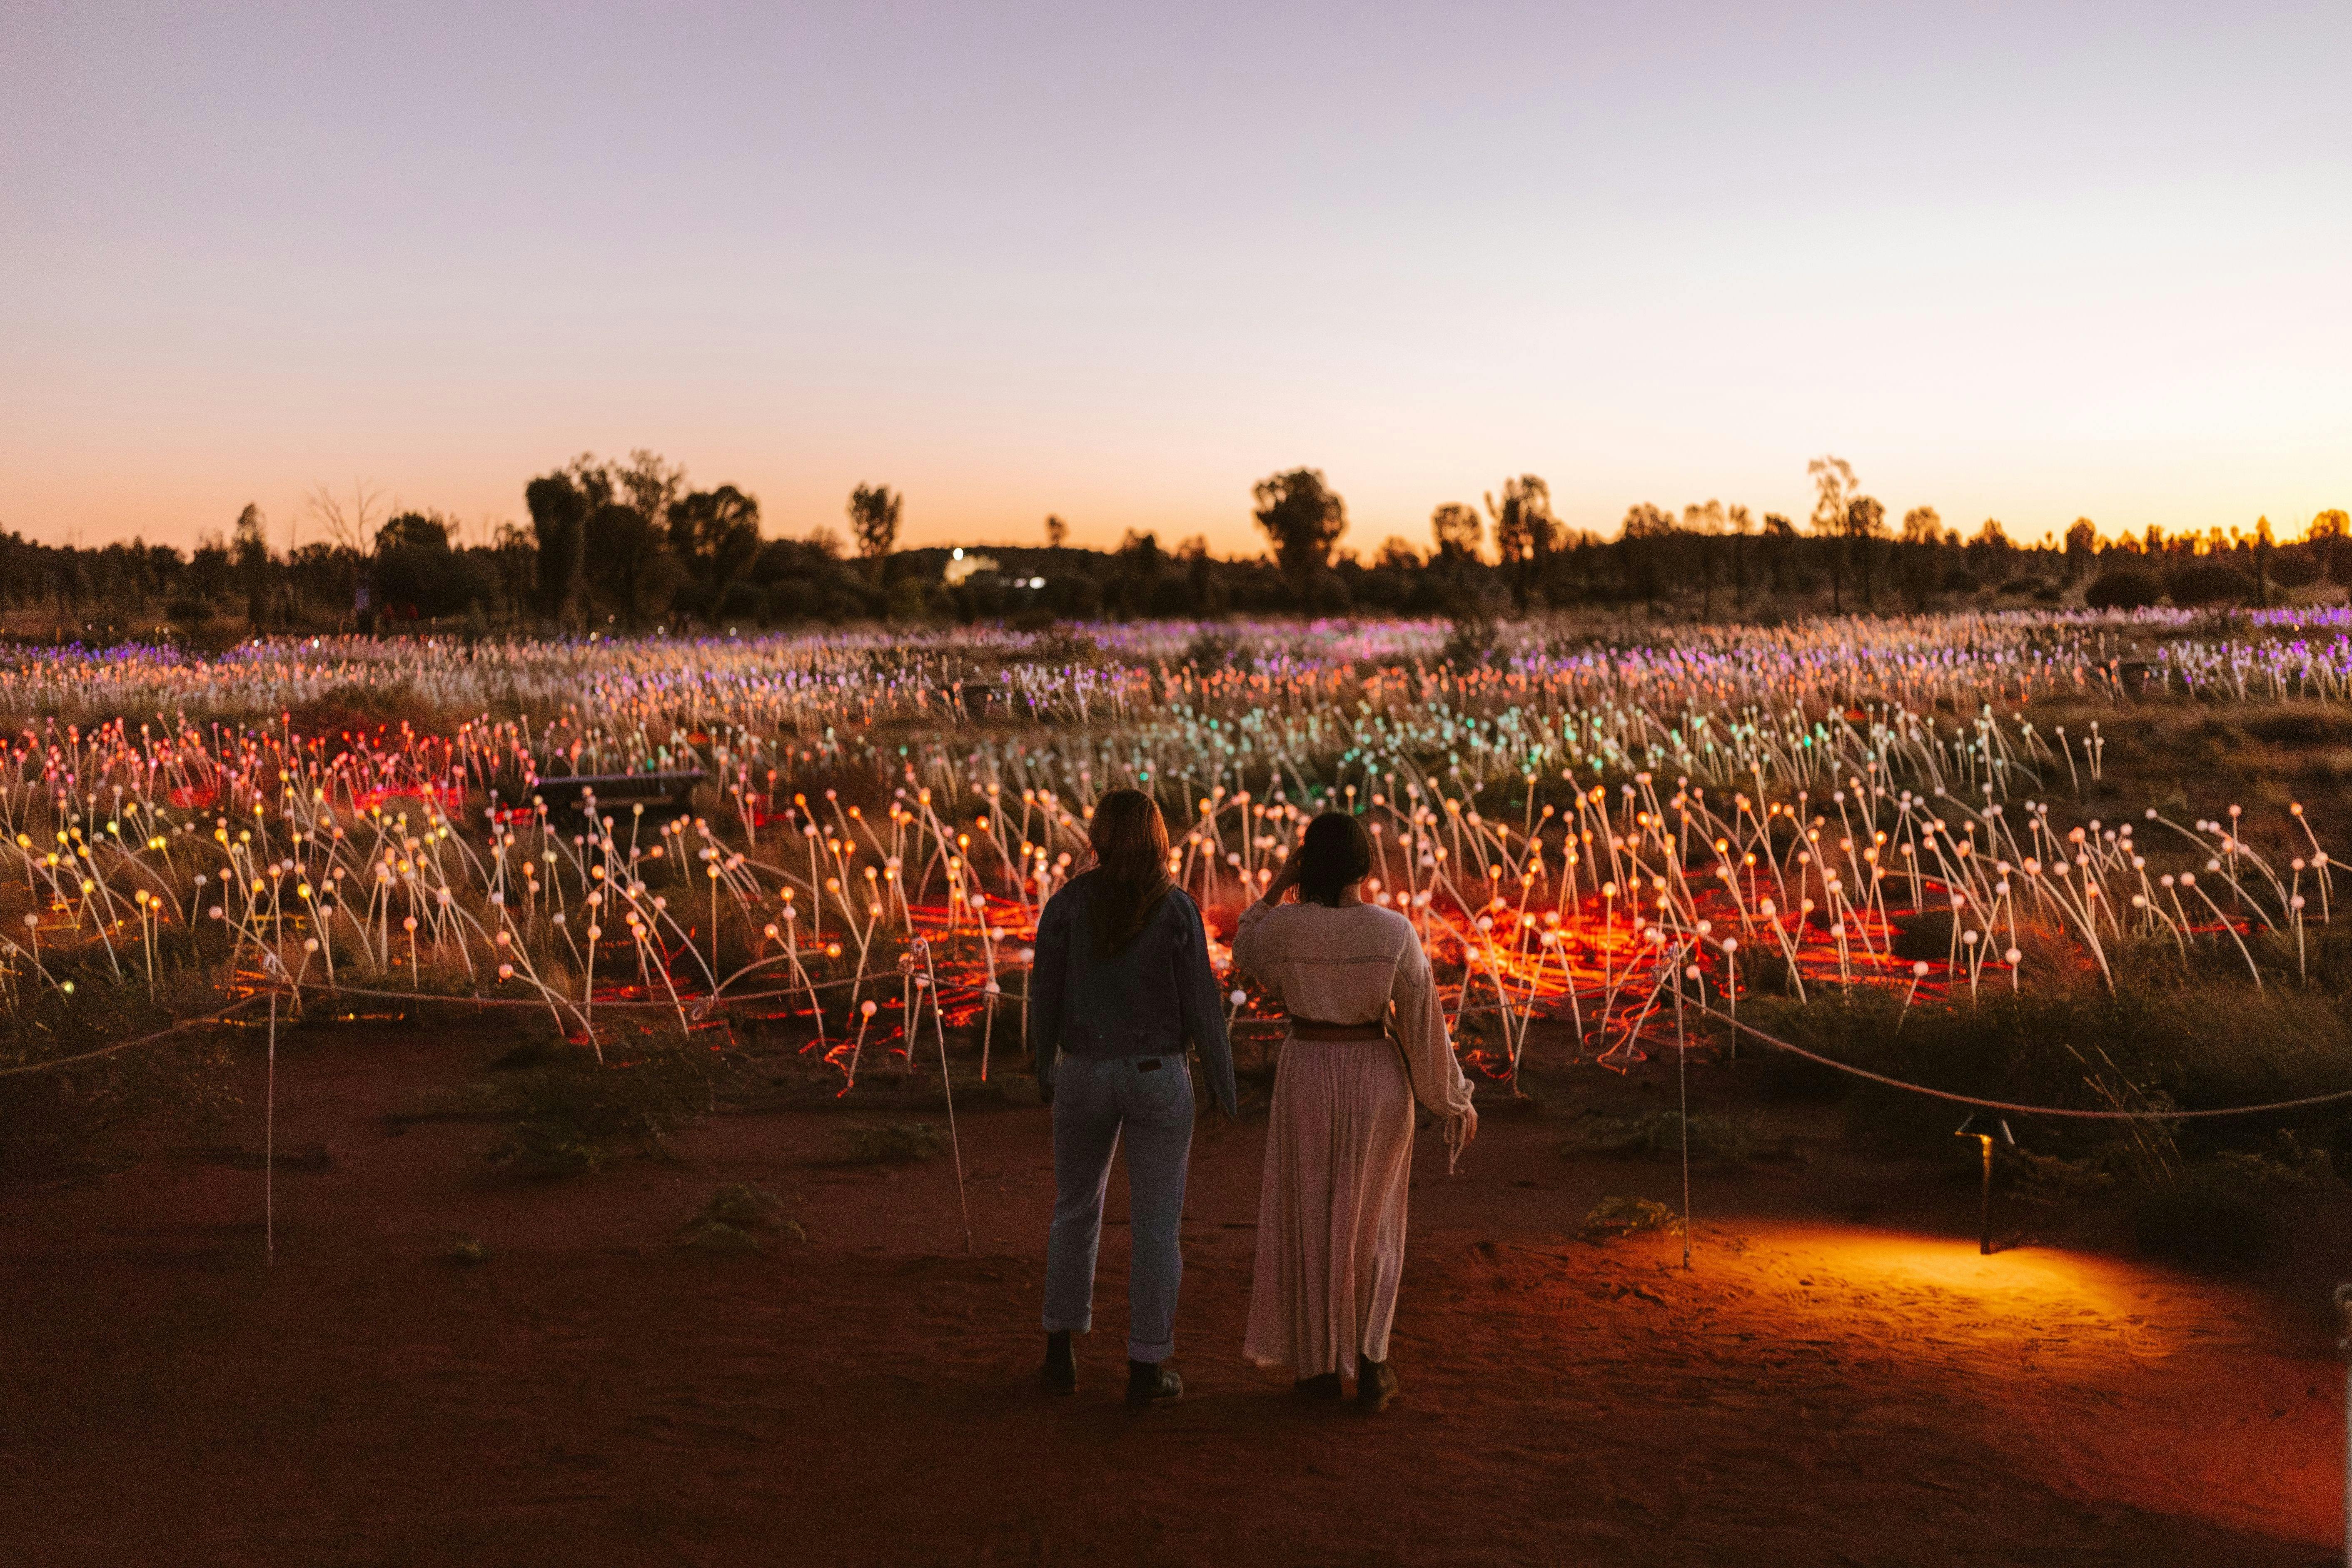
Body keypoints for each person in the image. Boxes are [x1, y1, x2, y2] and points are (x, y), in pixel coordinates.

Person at [1232, 810, 1476, 1411]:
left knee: (1310, 1218)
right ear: (1366, 864)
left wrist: (1276, 883)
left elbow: (1243, 946)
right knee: (1374, 1224)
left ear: (1306, 866)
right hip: (1376, 1074)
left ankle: (1316, 1369)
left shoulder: (1285, 928)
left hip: (1308, 1071)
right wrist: (1449, 1097)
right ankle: (1371, 1360)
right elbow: (1423, 1023)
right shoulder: (1392, 931)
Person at [1030, 788, 1237, 1406]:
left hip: (1084, 1070)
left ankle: (1059, 1349)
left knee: (1075, 1208)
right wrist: (1226, 1089)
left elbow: (1046, 991)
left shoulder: (1067, 905)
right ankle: (1147, 1363)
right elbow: (1202, 1003)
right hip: (1156, 1072)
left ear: (1099, 835)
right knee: (1156, 1224)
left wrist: (1045, 1064)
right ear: (1157, 840)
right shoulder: (1175, 910)